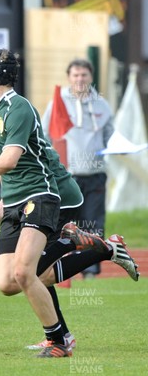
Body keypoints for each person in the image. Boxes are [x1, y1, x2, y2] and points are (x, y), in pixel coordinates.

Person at [0, 80, 139, 352]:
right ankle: (102, 249)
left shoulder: (12, 117)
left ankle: (60, 334)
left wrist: (1, 198)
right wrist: (3, 188)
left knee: (30, 273)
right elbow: (17, 171)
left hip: (58, 199)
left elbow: (36, 173)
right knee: (14, 280)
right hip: (24, 203)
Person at [42, 59, 114, 279]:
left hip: (95, 174)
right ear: (69, 77)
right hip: (67, 176)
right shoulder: (58, 102)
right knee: (66, 225)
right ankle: (63, 267)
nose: (80, 79)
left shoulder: (101, 104)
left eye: (84, 75)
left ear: (90, 77)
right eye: (76, 75)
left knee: (95, 223)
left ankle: (91, 269)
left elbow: (110, 136)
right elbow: (44, 135)